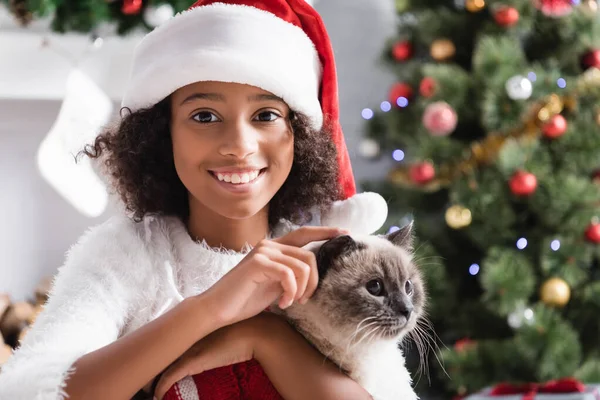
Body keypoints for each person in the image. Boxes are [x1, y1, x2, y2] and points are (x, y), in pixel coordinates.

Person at [0, 0, 388, 399]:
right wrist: (209, 310)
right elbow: (28, 391)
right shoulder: (123, 256)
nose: (239, 146)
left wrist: (265, 336)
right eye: (205, 116)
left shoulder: (327, 260)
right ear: (162, 133)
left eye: (266, 115)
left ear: (299, 134)